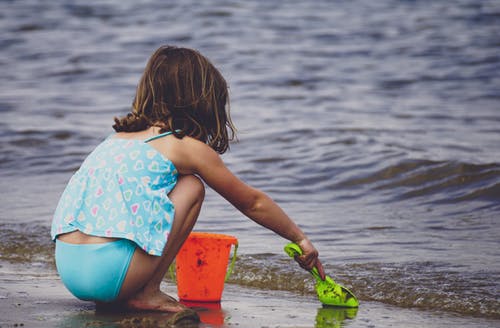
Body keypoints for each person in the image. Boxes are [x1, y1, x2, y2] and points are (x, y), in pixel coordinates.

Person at [51, 45, 325, 313]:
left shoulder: (114, 140)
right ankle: (147, 292)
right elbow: (252, 203)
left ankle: (121, 292)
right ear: (201, 102)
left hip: (69, 268)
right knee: (192, 186)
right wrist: (299, 238)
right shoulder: (184, 147)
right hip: (109, 274)